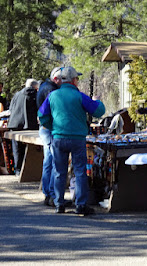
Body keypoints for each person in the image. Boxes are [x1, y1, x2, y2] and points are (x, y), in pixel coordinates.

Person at [38, 66, 105, 215]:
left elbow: (41, 115)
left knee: (59, 171)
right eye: (77, 79)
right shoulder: (79, 96)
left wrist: (52, 126)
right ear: (74, 80)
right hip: (77, 138)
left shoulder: (53, 95)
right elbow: (99, 111)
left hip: (58, 138)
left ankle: (58, 203)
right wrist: (98, 101)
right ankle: (81, 205)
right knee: (80, 171)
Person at [36, 67, 63, 207]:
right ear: (56, 79)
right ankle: (52, 194)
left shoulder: (45, 86)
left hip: (45, 128)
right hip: (50, 128)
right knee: (53, 161)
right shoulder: (50, 90)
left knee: (48, 161)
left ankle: (47, 193)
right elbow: (54, 109)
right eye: (62, 79)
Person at [8, 79, 39, 176]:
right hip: (29, 125)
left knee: (17, 149)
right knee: (29, 150)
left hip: (15, 124)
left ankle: (18, 170)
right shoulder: (35, 95)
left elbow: (11, 109)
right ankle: (29, 172)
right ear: (35, 86)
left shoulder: (17, 95)